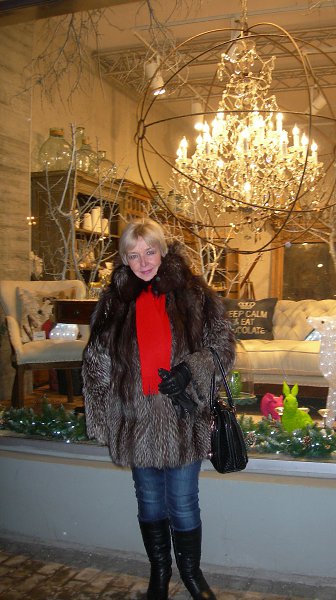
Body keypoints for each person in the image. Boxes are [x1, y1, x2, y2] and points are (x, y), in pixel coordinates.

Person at [82, 219, 235, 600]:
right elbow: (96, 361)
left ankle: (192, 575)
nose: (144, 262)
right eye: (134, 255)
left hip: (182, 418)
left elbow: (223, 348)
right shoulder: (116, 302)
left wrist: (189, 371)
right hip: (134, 419)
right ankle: (159, 575)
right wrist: (103, 419)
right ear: (124, 259)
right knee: (149, 504)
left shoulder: (193, 295)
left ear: (163, 252)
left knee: (183, 503)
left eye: (150, 251)